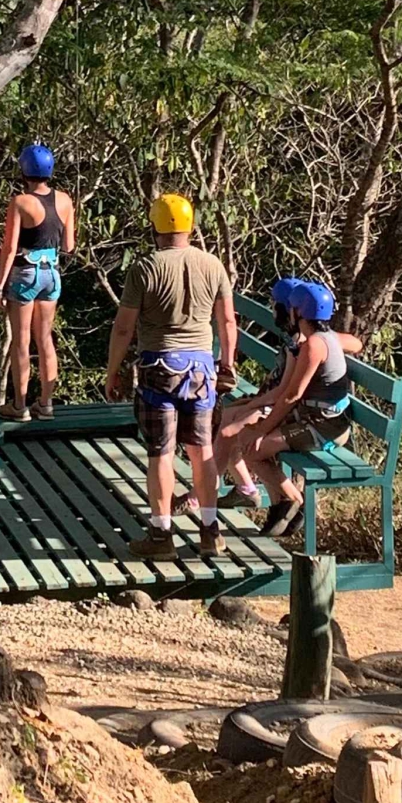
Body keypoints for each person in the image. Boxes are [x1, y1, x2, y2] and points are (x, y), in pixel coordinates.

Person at [105, 193, 237, 559]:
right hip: (201, 371)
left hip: (157, 370)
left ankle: (162, 535)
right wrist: (227, 361)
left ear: (154, 228)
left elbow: (123, 329)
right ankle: (211, 531)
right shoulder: (212, 265)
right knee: (202, 450)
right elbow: (227, 321)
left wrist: (113, 372)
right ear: (191, 226)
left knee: (161, 453)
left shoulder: (144, 268)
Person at [235, 281, 364, 536]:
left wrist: (263, 429)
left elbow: (292, 395)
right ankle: (282, 507)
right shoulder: (325, 337)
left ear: (298, 313)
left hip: (324, 427)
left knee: (253, 448)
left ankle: (293, 502)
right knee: (247, 438)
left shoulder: (314, 346)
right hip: (320, 418)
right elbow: (355, 343)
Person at [179, 276, 308, 515]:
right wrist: (252, 401)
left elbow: (286, 391)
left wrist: (255, 403)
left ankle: (200, 497)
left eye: (277, 305)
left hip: (280, 407)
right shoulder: (294, 338)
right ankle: (246, 490)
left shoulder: (301, 343)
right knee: (222, 420)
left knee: (228, 432)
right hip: (270, 399)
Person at [0, 143, 76, 422]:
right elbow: (69, 245)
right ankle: (46, 403)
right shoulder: (65, 200)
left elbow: (9, 247)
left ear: (24, 171)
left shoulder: (20, 202)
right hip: (51, 273)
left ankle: (19, 406)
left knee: (21, 342)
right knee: (45, 340)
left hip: (25, 272)